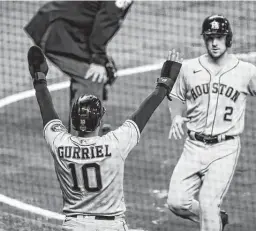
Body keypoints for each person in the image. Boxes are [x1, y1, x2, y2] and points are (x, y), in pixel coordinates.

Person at [27, 45, 182, 231]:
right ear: (100, 120)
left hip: (74, 225)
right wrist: (164, 85)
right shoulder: (115, 144)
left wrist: (40, 79)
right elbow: (143, 113)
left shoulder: (59, 143)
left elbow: (47, 110)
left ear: (73, 121)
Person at [166, 15, 256, 231]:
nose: (214, 43)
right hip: (193, 148)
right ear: (204, 40)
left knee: (209, 203)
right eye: (210, 38)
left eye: (219, 37)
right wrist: (177, 116)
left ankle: (212, 219)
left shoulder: (245, 71)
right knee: (176, 202)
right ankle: (218, 219)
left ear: (228, 39)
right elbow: (176, 96)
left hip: (224, 150)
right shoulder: (189, 68)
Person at [24, 1, 133, 134]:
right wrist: (98, 60)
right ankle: (82, 141)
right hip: (55, 31)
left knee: (107, 71)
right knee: (92, 78)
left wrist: (100, 60)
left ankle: (88, 125)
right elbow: (104, 23)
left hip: (70, 30)